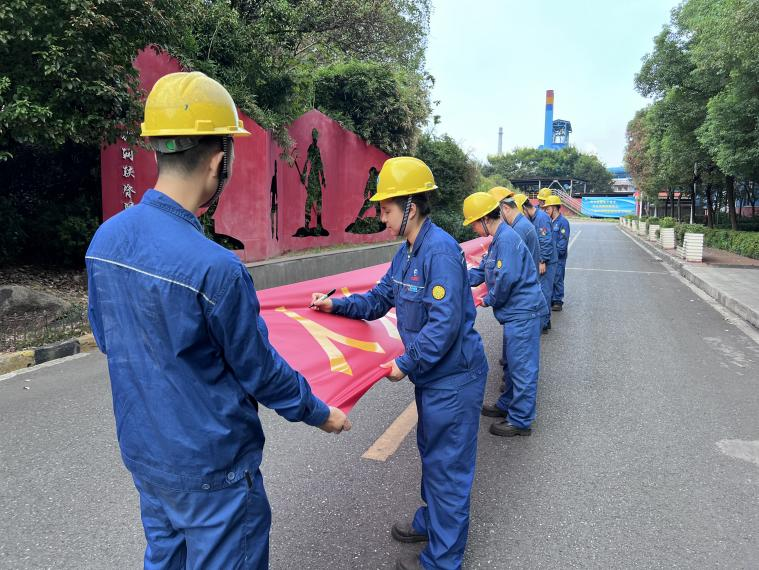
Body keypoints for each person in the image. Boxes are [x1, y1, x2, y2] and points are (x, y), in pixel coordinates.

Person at [86, 71, 351, 569]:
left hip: (148, 459)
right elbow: (260, 371)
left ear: (158, 149)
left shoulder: (106, 240)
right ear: (217, 159)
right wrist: (319, 412)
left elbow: (108, 338)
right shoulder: (217, 269)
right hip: (215, 473)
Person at [311, 157, 487, 570]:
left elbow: (444, 325)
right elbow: (378, 298)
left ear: (411, 205)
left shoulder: (439, 252)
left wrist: (405, 363)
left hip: (454, 378)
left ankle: (443, 560)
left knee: (448, 467)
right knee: (433, 454)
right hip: (434, 378)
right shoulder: (406, 253)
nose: (381, 216)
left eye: (387, 208)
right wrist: (336, 305)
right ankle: (432, 522)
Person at [462, 192, 547, 438]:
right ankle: (507, 403)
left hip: (523, 312)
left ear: (484, 219)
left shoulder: (507, 240)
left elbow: (505, 279)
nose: (474, 229)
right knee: (512, 364)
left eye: (474, 224)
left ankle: (520, 420)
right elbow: (483, 271)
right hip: (515, 314)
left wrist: (488, 299)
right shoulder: (499, 239)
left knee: (522, 367)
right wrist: (456, 277)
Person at [517, 194, 557, 332]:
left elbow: (545, 241)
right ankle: (545, 320)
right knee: (541, 290)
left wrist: (542, 260)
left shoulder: (541, 218)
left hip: (547, 261)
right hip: (541, 260)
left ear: (524, 208)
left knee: (544, 291)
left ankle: (544, 323)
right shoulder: (534, 218)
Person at [543, 195, 571, 311]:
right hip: (550, 256)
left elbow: (562, 243)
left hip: (559, 257)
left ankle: (558, 300)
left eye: (547, 208)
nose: (546, 211)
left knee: (558, 278)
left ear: (554, 208)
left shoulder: (563, 222)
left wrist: (554, 255)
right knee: (550, 278)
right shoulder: (549, 221)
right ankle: (551, 298)